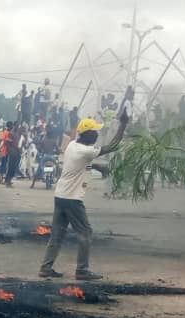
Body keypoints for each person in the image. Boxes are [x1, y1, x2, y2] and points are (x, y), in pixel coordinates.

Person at [38, 112, 129, 282]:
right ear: (87, 134)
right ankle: (82, 270)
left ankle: (45, 267)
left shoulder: (73, 145)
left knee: (57, 234)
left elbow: (81, 162)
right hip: (72, 199)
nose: (97, 134)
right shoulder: (86, 150)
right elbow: (113, 146)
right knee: (85, 233)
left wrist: (96, 167)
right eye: (94, 132)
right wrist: (123, 125)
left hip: (61, 195)